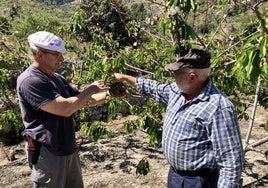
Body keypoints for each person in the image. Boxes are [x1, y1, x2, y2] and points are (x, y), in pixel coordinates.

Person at [114, 48, 244, 188]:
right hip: (175, 176)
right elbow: (154, 88)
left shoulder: (218, 107)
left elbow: (231, 162)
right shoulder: (177, 91)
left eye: (176, 72)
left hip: (198, 182)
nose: (173, 76)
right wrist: (125, 78)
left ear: (192, 76)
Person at [16, 31, 110, 188]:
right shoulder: (30, 80)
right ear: (39, 54)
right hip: (48, 152)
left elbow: (83, 101)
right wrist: (91, 88)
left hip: (67, 148)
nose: (61, 59)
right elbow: (66, 108)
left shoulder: (56, 78)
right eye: (56, 55)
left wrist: (111, 93)